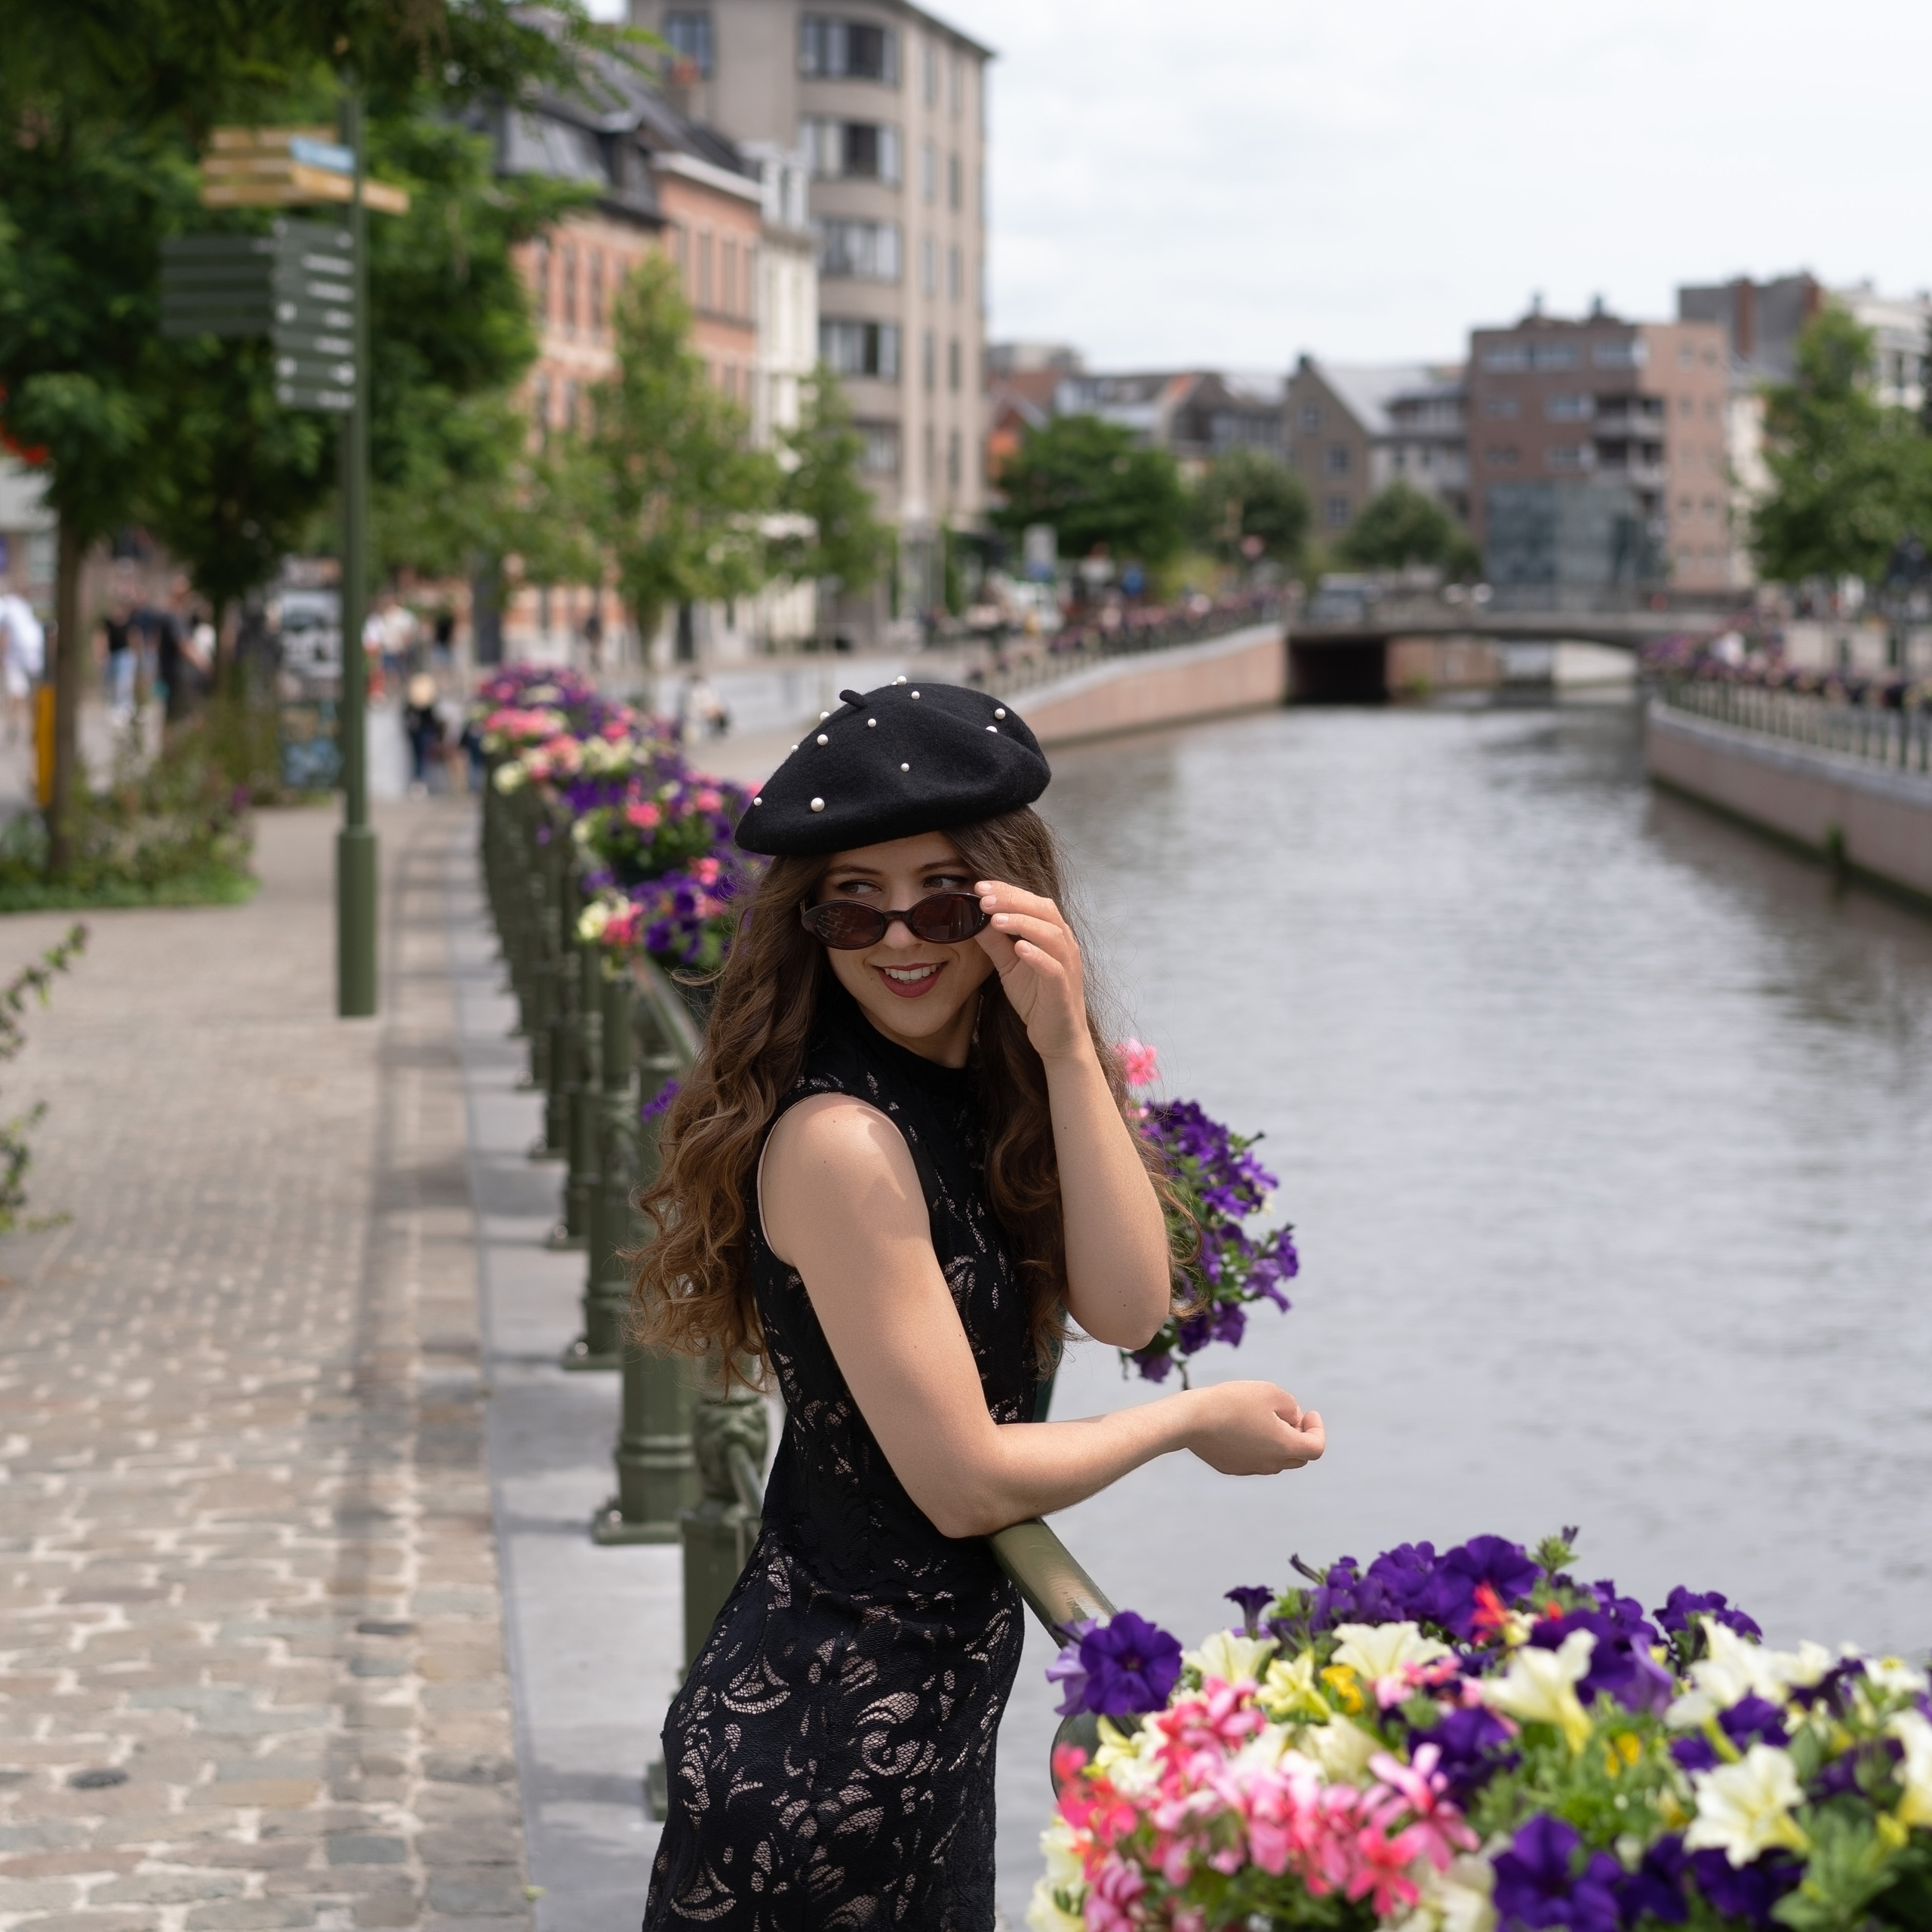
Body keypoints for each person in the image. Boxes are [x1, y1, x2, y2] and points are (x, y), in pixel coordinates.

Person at [632, 681, 1325, 1928]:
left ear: (1012, 907)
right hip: (819, 1766)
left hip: (921, 1748)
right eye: (856, 906)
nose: (902, 940)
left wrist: (1065, 1047)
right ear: (810, 923)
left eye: (945, 901)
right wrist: (1190, 1421)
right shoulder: (843, 1140)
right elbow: (961, 1483)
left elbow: (1125, 1304)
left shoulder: (979, 1089)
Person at [0, 583, 45, 747]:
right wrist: (3, 657)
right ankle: (16, 728)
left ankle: (31, 729)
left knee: (31, 696)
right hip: (17, 660)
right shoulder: (11, 606)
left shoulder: (26, 608)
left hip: (31, 658)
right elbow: (4, 633)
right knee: (18, 696)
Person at [402, 672, 442, 795]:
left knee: (420, 757)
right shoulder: (419, 707)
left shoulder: (418, 707)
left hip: (419, 732)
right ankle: (420, 783)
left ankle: (419, 782)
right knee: (421, 757)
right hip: (421, 732)